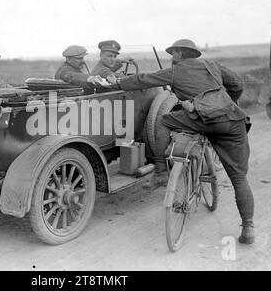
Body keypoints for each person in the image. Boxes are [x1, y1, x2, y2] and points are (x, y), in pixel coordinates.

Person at [106, 39, 255, 244]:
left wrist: (116, 83)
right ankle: (248, 228)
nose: (171, 57)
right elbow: (237, 84)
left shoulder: (175, 71)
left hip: (200, 119)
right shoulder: (213, 66)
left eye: (173, 54)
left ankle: (159, 170)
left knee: (165, 121)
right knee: (239, 179)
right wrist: (229, 101)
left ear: (179, 54)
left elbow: (143, 80)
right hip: (231, 120)